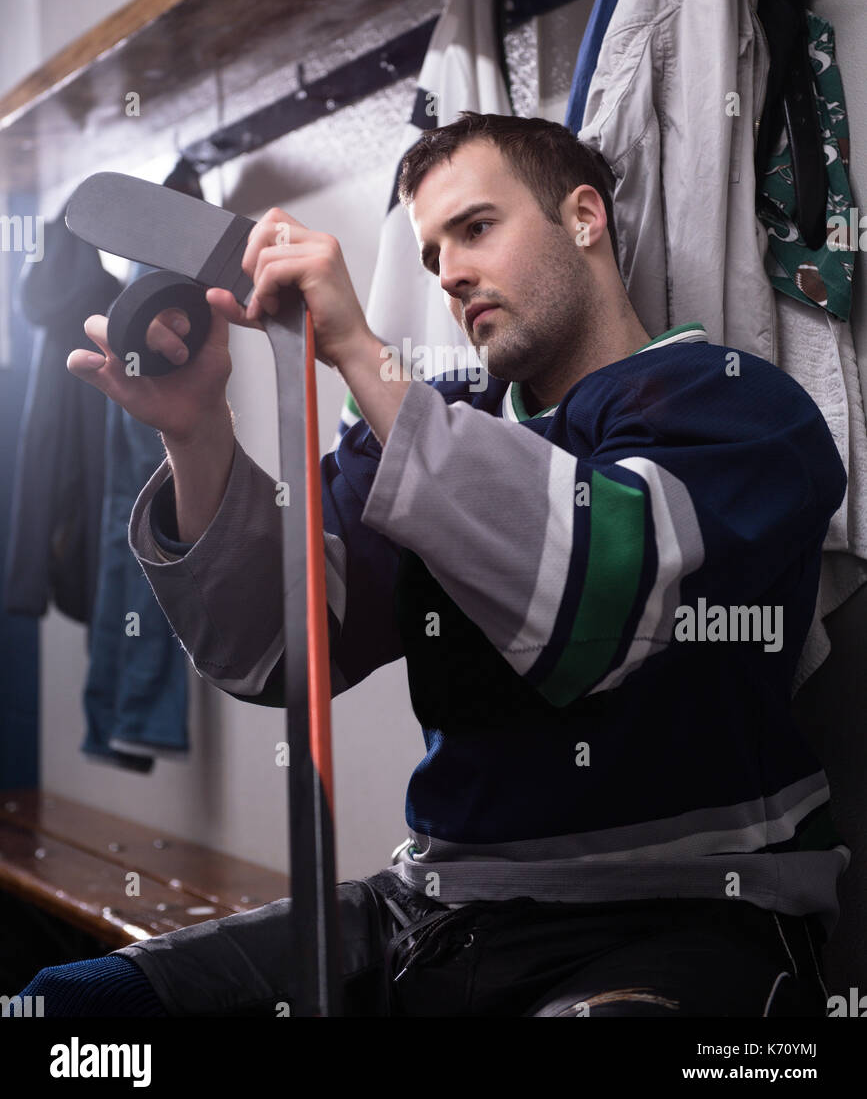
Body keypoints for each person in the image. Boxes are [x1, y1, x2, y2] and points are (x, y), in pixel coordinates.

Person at [11, 112, 844, 1018]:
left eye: (476, 228)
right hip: (434, 908)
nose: (448, 272)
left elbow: (597, 597)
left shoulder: (739, 411)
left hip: (681, 917)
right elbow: (276, 648)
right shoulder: (430, 421)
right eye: (431, 253)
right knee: (68, 1011)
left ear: (583, 218)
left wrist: (365, 357)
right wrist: (196, 431)